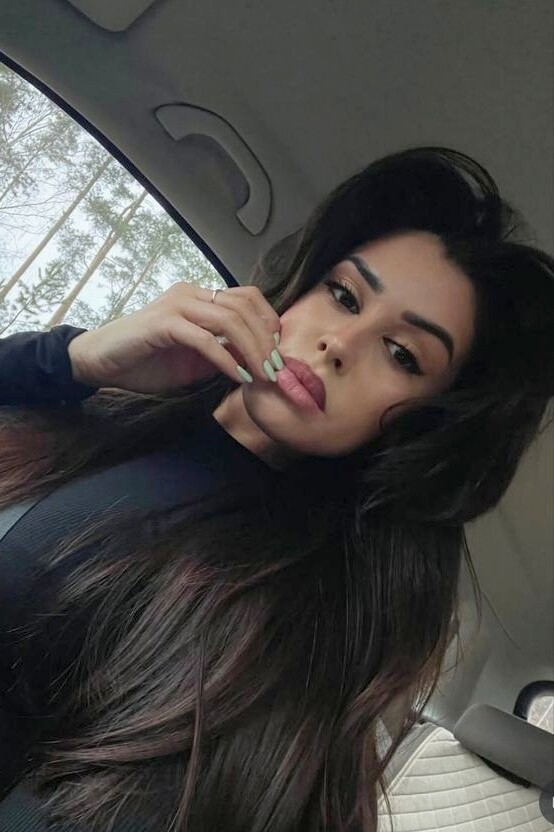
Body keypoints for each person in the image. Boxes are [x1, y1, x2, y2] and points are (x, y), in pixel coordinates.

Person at [0, 145, 552, 832]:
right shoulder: (102, 404)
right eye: (343, 295)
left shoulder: (289, 631)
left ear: (425, 427)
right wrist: (72, 360)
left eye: (402, 354)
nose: (339, 343)